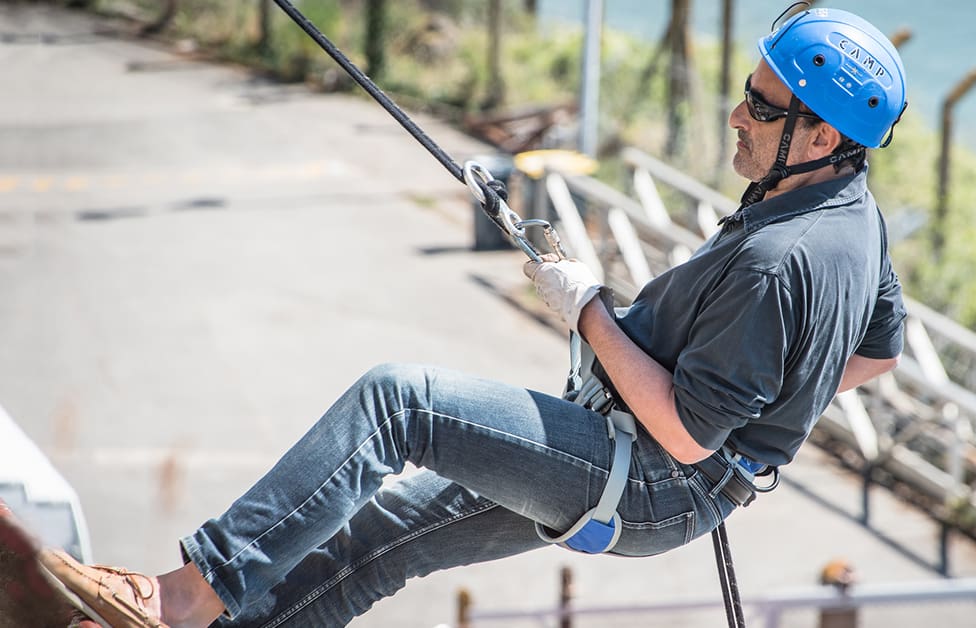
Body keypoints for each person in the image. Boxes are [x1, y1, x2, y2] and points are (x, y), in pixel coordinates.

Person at [33, 7, 908, 627]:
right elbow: (876, 355)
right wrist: (769, 416)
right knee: (385, 538)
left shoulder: (777, 260)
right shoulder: (851, 219)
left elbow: (683, 435)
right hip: (659, 473)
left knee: (398, 404)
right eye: (748, 92)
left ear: (824, 136)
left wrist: (590, 308)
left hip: (646, 472)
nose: (737, 114)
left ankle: (186, 597)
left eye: (762, 105)